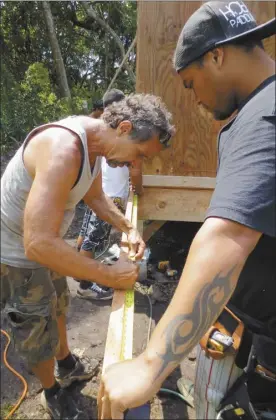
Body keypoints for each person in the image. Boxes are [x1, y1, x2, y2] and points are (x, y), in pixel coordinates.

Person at [99, 2, 276, 419]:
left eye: (191, 82)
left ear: (217, 55)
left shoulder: (263, 117)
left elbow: (227, 237)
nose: (194, 99)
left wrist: (150, 364)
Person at [0, 93, 174, 419]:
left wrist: (128, 227)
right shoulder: (63, 150)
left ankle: (66, 363)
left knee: (59, 304)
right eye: (138, 155)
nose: (134, 165)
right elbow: (36, 243)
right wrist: (107, 274)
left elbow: (95, 197)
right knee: (35, 325)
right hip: (15, 252)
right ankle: (51, 394)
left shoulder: (95, 148)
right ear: (123, 127)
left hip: (45, 238)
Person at [76, 89, 143, 301]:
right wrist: (139, 189)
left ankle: (79, 266)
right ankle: (85, 284)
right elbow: (135, 170)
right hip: (109, 198)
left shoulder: (104, 132)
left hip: (97, 193)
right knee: (94, 241)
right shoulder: (126, 136)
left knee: (87, 234)